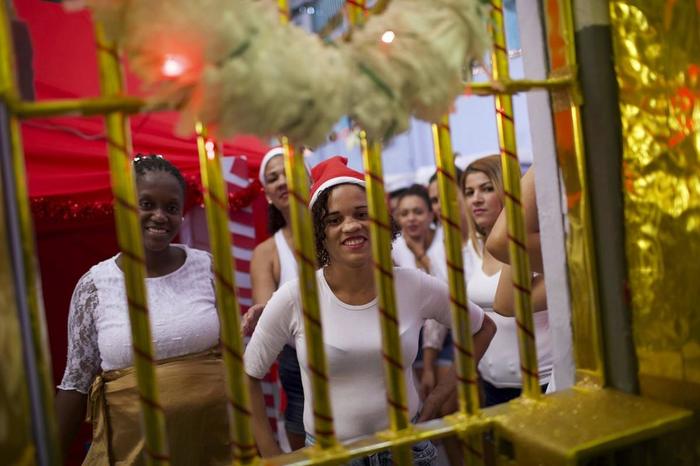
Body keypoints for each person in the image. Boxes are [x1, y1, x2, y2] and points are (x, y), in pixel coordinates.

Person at [244, 156, 496, 463]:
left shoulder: (413, 285)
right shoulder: (296, 297)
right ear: (320, 232)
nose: (350, 226)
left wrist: (440, 396)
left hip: (407, 449)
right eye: (334, 220)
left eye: (362, 214)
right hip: (331, 456)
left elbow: (483, 328)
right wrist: (270, 454)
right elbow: (247, 376)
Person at [55, 154, 230, 465]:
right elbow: (76, 383)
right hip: (133, 453)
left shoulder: (208, 268)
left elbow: (236, 358)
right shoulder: (94, 286)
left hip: (213, 447)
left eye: (171, 207)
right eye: (146, 204)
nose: (160, 216)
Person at [461, 155, 552, 406]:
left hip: (539, 380)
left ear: (508, 190)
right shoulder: (470, 249)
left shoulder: (532, 245)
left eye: (487, 188)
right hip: (492, 383)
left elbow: (505, 304)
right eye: (468, 192)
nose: (476, 199)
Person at [246, 146, 306, 450]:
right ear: (267, 193)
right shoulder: (266, 253)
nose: (282, 181)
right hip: (299, 370)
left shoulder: (340, 229)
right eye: (273, 178)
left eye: (289, 172)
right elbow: (268, 321)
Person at [391, 184, 453, 403]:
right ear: (397, 218)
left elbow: (448, 290)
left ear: (430, 214)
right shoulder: (395, 247)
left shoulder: (447, 239)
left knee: (448, 405)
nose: (411, 219)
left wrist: (419, 253)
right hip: (416, 334)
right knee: (427, 400)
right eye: (404, 213)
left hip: (450, 330)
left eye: (418, 212)